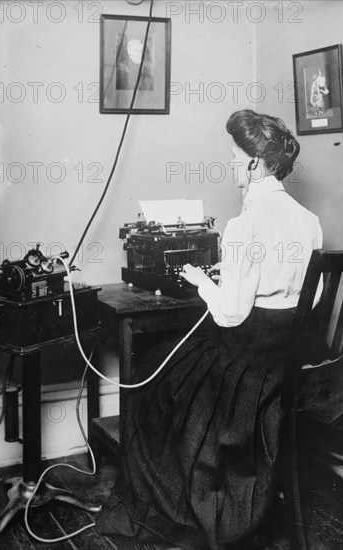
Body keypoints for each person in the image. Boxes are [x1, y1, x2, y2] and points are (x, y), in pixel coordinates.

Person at [95, 109, 323, 549]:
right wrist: (237, 275)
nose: (232, 164)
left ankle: (169, 501)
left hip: (244, 367)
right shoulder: (308, 222)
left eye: (235, 156)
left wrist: (201, 280)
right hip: (280, 360)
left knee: (154, 369)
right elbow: (305, 300)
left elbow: (230, 315)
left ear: (255, 164)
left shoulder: (244, 225)